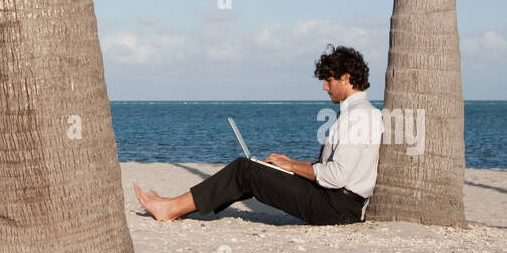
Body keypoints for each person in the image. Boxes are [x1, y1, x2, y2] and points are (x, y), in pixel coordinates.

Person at [134, 44, 384, 225]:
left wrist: (294, 166)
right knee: (255, 169)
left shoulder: (358, 117)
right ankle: (177, 205)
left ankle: (171, 208)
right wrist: (288, 166)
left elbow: (336, 177)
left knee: (245, 171)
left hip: (335, 207)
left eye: (329, 80)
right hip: (336, 201)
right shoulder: (362, 113)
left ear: (347, 79)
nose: (324, 86)